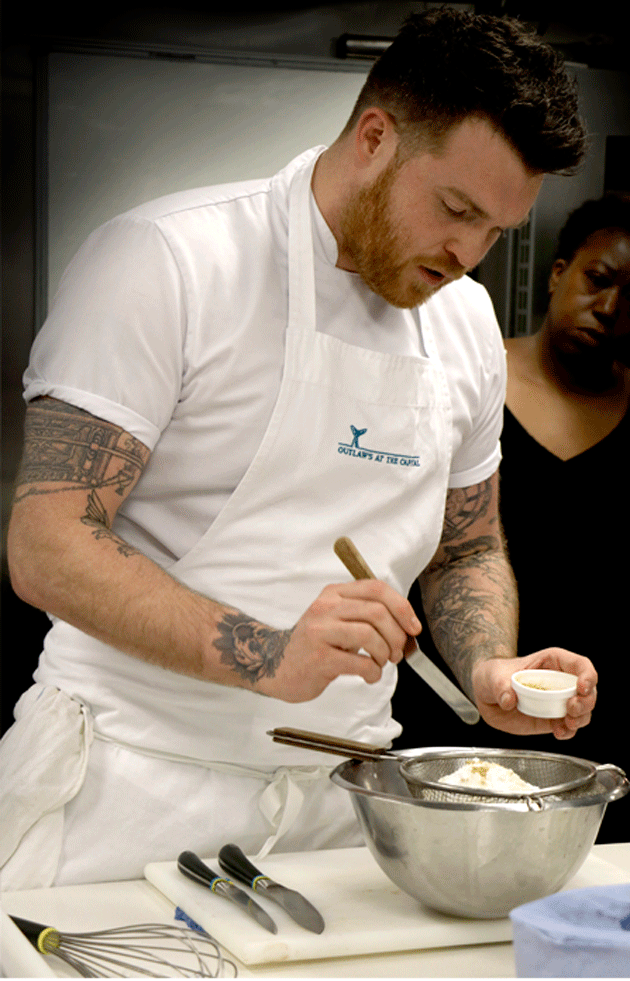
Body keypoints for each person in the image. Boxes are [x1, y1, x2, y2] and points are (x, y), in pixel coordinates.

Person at [2, 8, 597, 890]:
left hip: (346, 812)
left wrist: (487, 668)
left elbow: (466, 543)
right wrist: (266, 652)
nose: (468, 255)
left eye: (497, 231)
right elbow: (47, 545)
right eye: (455, 209)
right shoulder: (168, 262)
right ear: (374, 137)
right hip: (122, 786)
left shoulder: (467, 324)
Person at [393, 193, 630, 842]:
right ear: (558, 273)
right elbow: (449, 546)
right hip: (452, 701)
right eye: (598, 279)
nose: (610, 309)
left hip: (585, 723)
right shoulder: (466, 375)